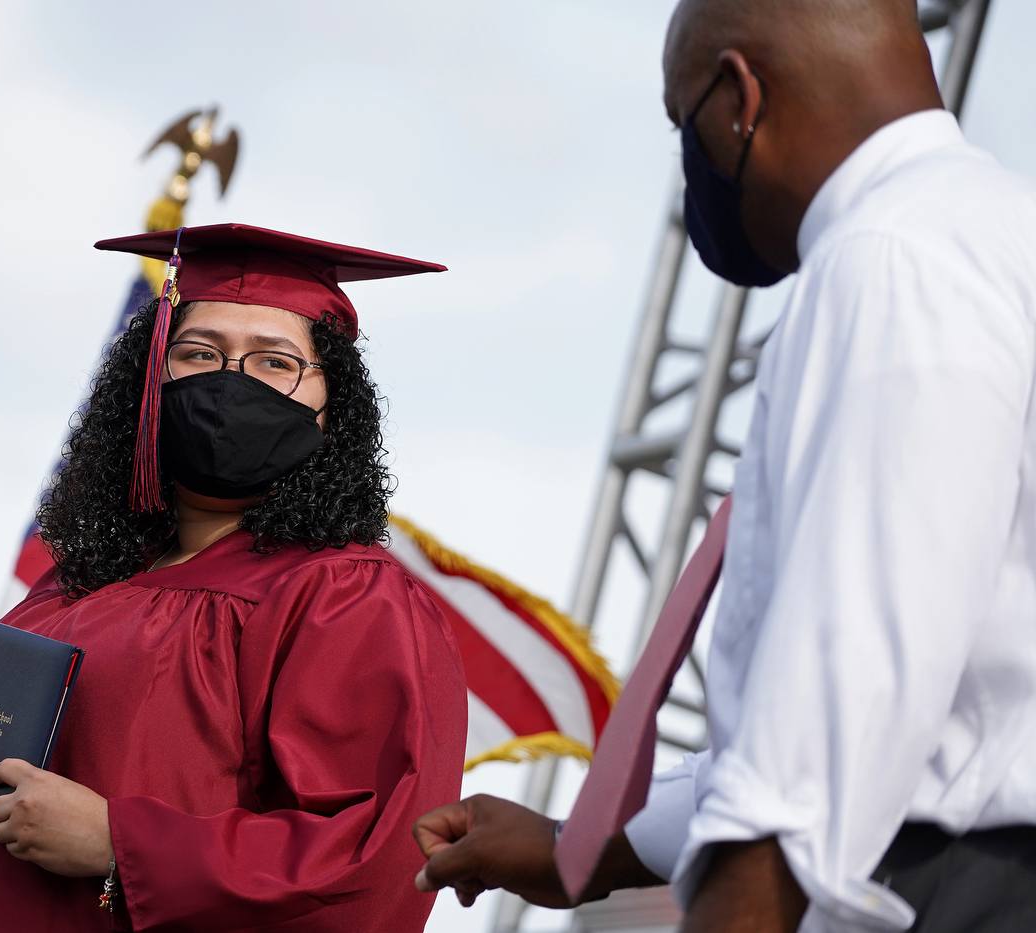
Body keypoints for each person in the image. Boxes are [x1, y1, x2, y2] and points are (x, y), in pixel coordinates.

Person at [412, 1, 1036, 932]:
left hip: (952, 890)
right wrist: (570, 845)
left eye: (683, 122)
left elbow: (831, 705)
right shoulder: (992, 230)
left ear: (740, 97)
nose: (689, 164)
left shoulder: (891, 262)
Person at [0, 223, 468, 932]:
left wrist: (123, 844)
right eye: (199, 354)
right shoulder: (68, 585)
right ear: (147, 383)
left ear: (335, 407)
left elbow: (375, 856)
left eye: (275, 363)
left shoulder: (344, 597)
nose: (229, 382)